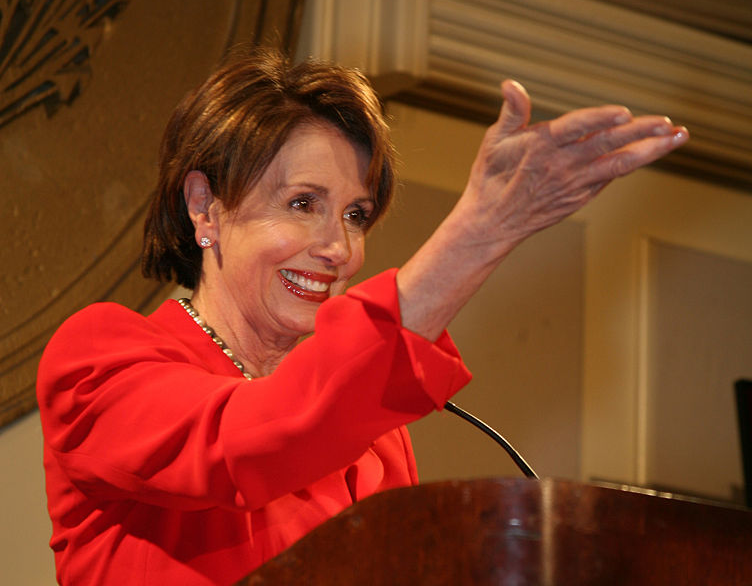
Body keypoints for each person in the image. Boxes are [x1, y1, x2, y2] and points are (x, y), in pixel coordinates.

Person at [36, 48, 688, 585]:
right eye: (302, 203)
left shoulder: (376, 435)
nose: (340, 248)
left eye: (356, 214)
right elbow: (246, 445)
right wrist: (479, 234)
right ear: (205, 206)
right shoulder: (96, 356)